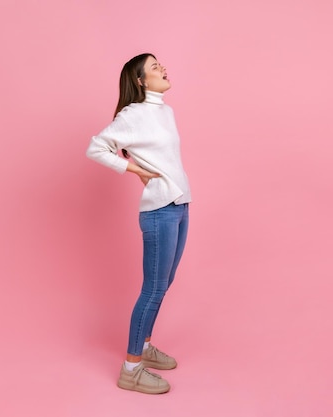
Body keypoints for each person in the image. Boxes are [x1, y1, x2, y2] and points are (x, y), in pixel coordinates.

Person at [86, 53, 191, 394]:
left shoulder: (165, 111)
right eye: (154, 67)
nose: (163, 68)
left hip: (179, 206)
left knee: (166, 282)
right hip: (159, 209)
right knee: (154, 289)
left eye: (161, 63)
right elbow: (97, 147)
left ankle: (144, 347)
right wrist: (135, 170)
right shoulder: (133, 115)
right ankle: (131, 369)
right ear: (141, 81)